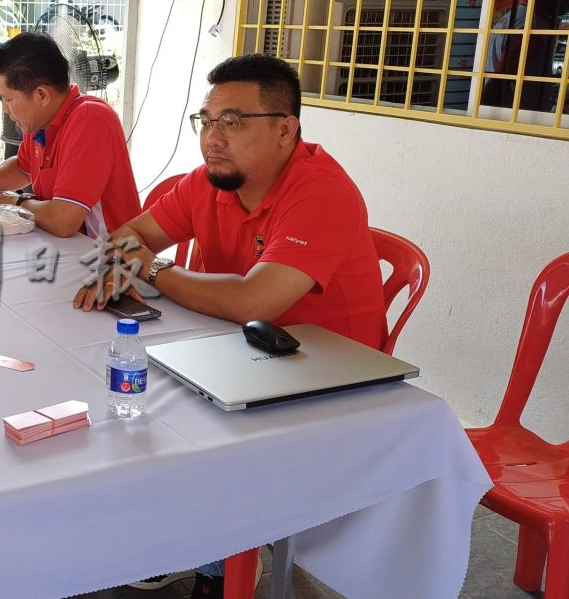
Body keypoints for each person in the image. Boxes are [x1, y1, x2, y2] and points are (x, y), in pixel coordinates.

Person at [77, 53, 385, 597]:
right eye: (207, 121)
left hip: (325, 379)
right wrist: (123, 265)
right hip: (236, 356)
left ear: (286, 130)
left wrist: (154, 267)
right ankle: (179, 536)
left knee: (161, 409)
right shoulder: (209, 182)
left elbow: (254, 300)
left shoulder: (321, 191)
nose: (213, 138)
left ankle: (220, 558)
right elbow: (128, 234)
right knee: (115, 384)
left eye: (234, 122)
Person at [0, 32, 140, 237]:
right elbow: (23, 168)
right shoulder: (40, 120)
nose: (4, 109)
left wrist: (18, 202)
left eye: (8, 99)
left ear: (41, 95)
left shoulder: (91, 120)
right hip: (70, 250)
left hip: (111, 255)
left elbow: (63, 221)